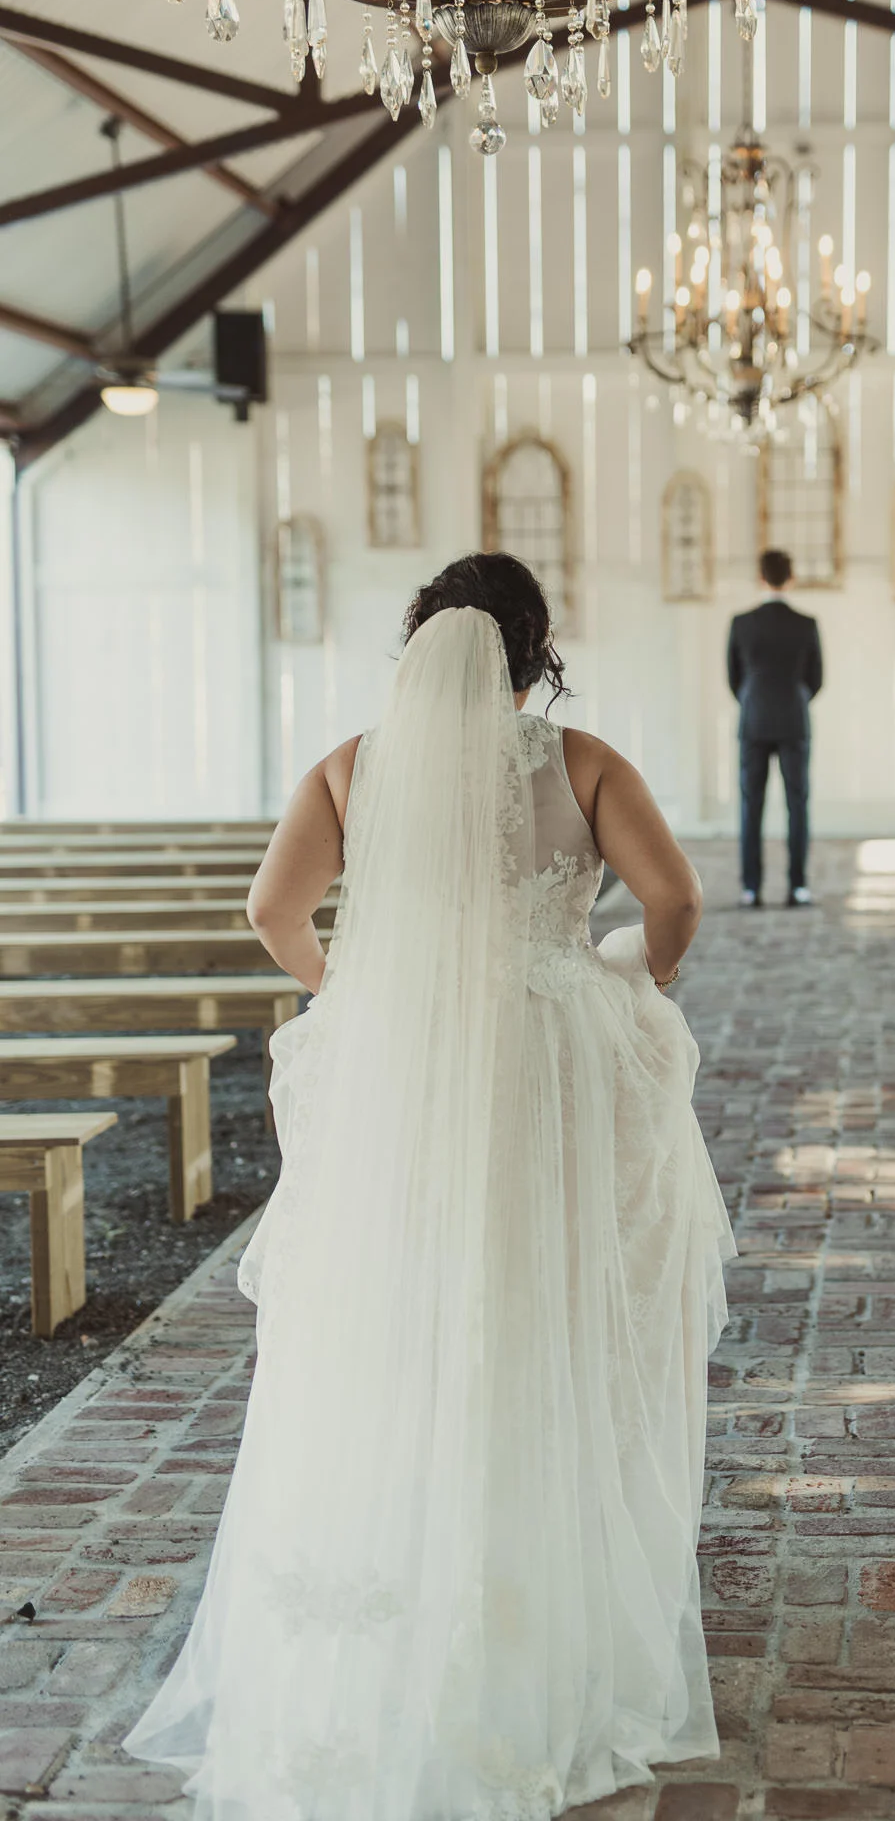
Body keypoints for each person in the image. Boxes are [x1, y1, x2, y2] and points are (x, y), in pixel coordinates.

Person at [123, 552, 735, 1821]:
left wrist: (351, 992)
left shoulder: (352, 764)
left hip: (407, 1067)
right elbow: (674, 900)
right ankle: (528, 1609)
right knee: (544, 1312)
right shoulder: (583, 762)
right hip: (548, 1068)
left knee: (392, 1324)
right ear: (533, 653)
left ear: (419, 642)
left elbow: (271, 906)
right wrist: (633, 974)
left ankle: (388, 1601)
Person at [727, 548, 824, 908]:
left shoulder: (742, 623)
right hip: (794, 721)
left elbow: (733, 678)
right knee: (797, 805)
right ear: (791, 578)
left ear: (761, 578)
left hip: (753, 721)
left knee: (751, 806)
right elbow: (816, 679)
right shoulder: (806, 624)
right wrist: (794, 700)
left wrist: (754, 702)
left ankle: (751, 889)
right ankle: (798, 886)